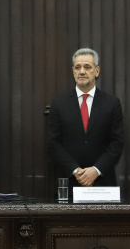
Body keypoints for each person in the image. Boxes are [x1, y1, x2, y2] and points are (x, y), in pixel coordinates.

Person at [47, 48, 125, 188]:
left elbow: (117, 143)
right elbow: (53, 143)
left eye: (87, 67)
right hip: (70, 182)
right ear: (73, 71)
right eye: (78, 67)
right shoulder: (59, 103)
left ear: (97, 71)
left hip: (103, 183)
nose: (82, 71)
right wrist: (76, 171)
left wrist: (96, 170)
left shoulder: (112, 103)